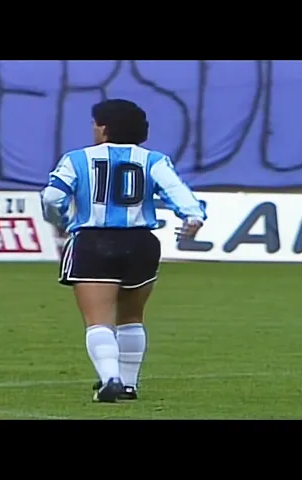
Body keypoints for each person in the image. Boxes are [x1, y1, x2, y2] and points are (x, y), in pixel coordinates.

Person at [40, 99, 207, 403]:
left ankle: (110, 379)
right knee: (132, 317)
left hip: (94, 241)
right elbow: (178, 192)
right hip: (140, 243)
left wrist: (59, 221)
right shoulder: (154, 160)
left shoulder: (77, 159)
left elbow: (52, 197)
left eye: (95, 124)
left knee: (98, 319)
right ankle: (129, 385)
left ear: (104, 128)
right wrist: (192, 217)